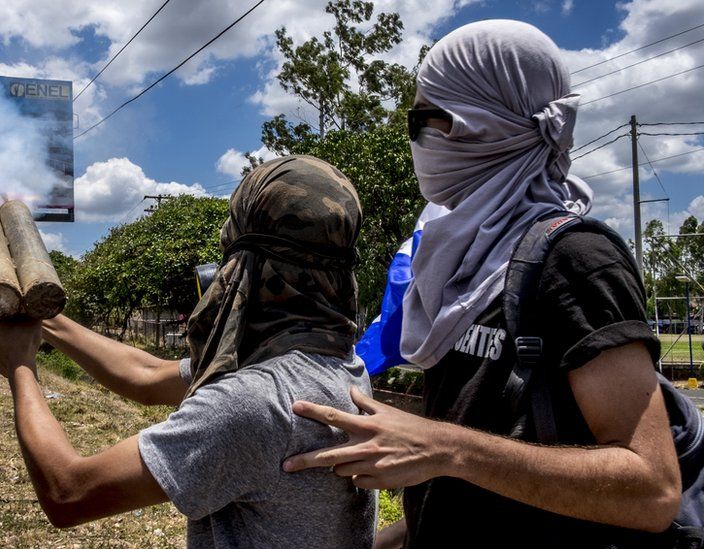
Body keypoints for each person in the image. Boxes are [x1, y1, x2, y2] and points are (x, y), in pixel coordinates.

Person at [282, 20, 681, 548]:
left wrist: (445, 447)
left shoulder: (574, 260)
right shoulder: (466, 260)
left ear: (485, 126)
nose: (415, 140)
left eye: (424, 119)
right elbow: (482, 480)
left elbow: (651, 489)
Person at [0, 155, 376, 548]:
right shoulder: (341, 366)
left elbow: (69, 493)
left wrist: (20, 365)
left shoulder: (254, 402)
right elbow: (148, 377)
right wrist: (46, 319)